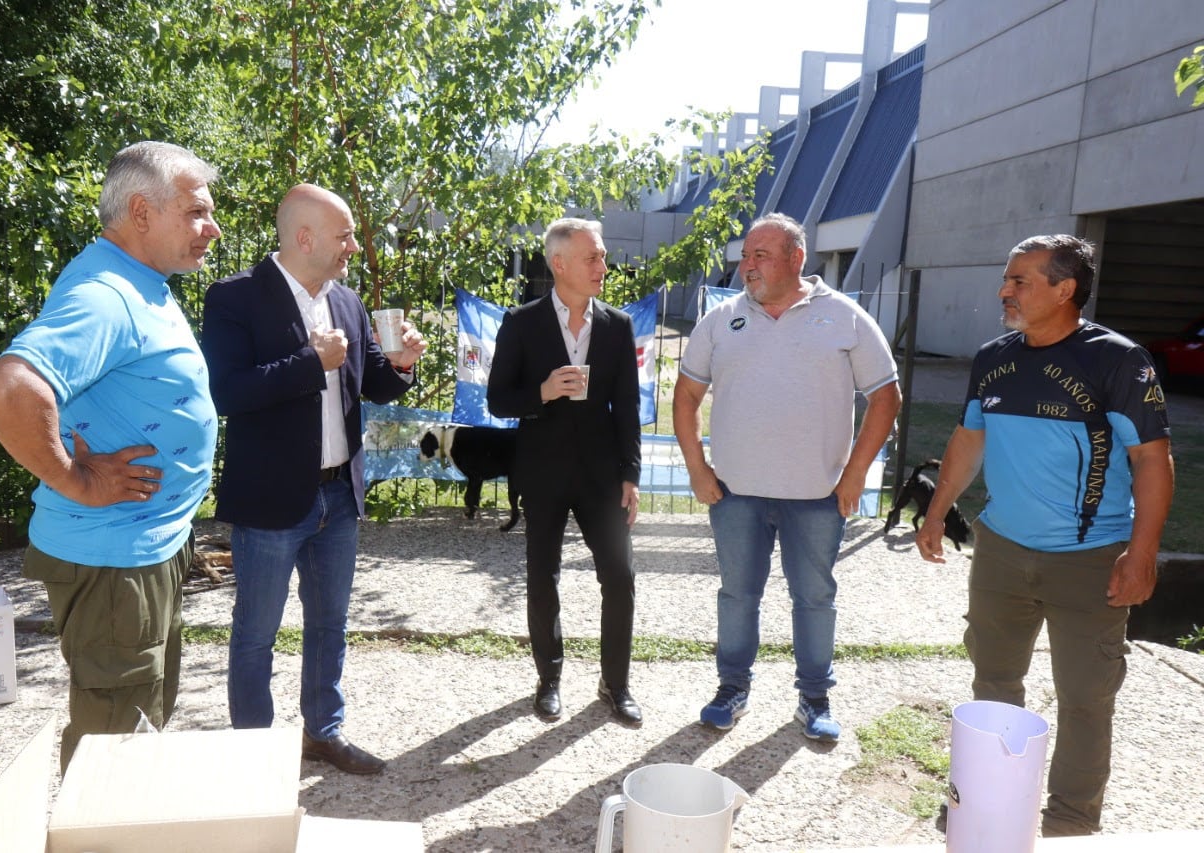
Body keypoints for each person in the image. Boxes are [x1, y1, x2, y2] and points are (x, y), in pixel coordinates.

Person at [0, 141, 222, 773]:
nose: (211, 230)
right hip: (114, 557)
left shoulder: (138, 282)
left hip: (143, 546)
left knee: (140, 722)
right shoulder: (107, 294)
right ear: (141, 212)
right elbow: (7, 388)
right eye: (196, 213)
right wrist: (75, 479)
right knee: (115, 750)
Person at [916, 234, 1173, 836]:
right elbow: (968, 439)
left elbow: (1153, 461)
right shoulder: (993, 357)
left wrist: (1141, 553)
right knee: (993, 680)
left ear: (1065, 289)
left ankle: (1069, 823)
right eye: (1006, 279)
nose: (1005, 291)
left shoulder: (1118, 360)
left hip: (1091, 559)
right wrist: (935, 514)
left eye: (1020, 281)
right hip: (1001, 550)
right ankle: (986, 796)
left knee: (1086, 697)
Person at [200, 183, 425, 776]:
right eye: (344, 235)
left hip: (338, 497)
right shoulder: (234, 298)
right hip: (272, 501)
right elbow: (226, 392)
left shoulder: (346, 301)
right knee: (257, 632)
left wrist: (401, 365)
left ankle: (322, 733)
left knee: (330, 624)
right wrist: (309, 362)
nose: (353, 245)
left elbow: (371, 380)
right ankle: (254, 751)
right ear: (305, 238)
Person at [673, 212, 901, 742]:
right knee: (736, 596)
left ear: (796, 258)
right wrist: (697, 468)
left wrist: (855, 474)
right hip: (734, 494)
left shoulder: (845, 318)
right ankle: (732, 690)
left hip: (817, 496)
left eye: (760, 255)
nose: (747, 266)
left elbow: (886, 398)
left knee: (815, 598)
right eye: (745, 256)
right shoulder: (720, 320)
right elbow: (686, 399)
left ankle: (814, 699)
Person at [486, 218, 643, 727]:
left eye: (601, 256)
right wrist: (543, 392)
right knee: (542, 576)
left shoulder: (617, 326)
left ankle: (615, 684)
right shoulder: (522, 323)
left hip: (602, 476)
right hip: (544, 472)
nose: (603, 266)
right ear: (560, 264)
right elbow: (497, 400)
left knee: (619, 577)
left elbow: (628, 406)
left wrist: (631, 474)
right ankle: (548, 678)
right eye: (593, 257)